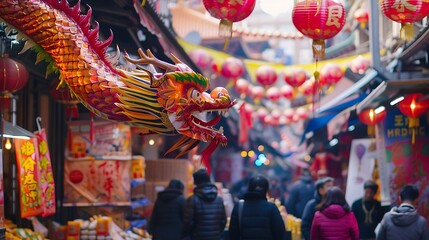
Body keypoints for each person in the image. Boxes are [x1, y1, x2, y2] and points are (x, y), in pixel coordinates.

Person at [229, 175, 286, 240]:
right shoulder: (272, 208)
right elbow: (280, 233)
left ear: (249, 188)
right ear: (266, 190)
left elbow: (232, 234)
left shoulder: (239, 207)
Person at [183, 169, 226, 240]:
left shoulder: (192, 200)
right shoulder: (219, 200)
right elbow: (223, 221)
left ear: (196, 182)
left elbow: (188, 224)